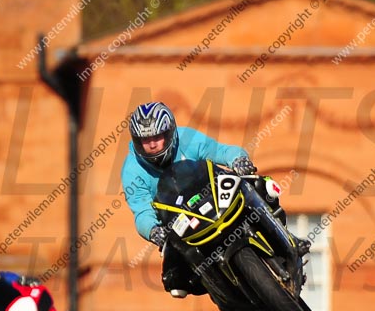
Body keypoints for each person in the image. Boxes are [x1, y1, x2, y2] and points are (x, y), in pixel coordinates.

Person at [121, 101, 310, 298]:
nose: (153, 144)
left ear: (170, 132)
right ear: (136, 140)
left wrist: (238, 160)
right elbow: (141, 211)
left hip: (214, 192)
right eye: (145, 139)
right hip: (180, 219)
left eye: (158, 136)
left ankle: (290, 240)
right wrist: (152, 230)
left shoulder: (187, 138)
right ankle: (220, 289)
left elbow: (221, 151)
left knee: (260, 185)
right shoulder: (131, 171)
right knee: (175, 282)